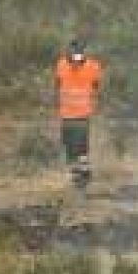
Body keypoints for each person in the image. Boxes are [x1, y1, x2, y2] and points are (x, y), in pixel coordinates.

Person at [54, 38, 104, 189]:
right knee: (69, 146)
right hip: (66, 113)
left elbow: (96, 86)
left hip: (82, 113)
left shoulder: (93, 66)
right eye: (74, 51)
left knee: (81, 146)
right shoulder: (61, 64)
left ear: (83, 52)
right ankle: (79, 173)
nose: (76, 54)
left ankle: (82, 176)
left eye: (79, 51)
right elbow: (58, 84)